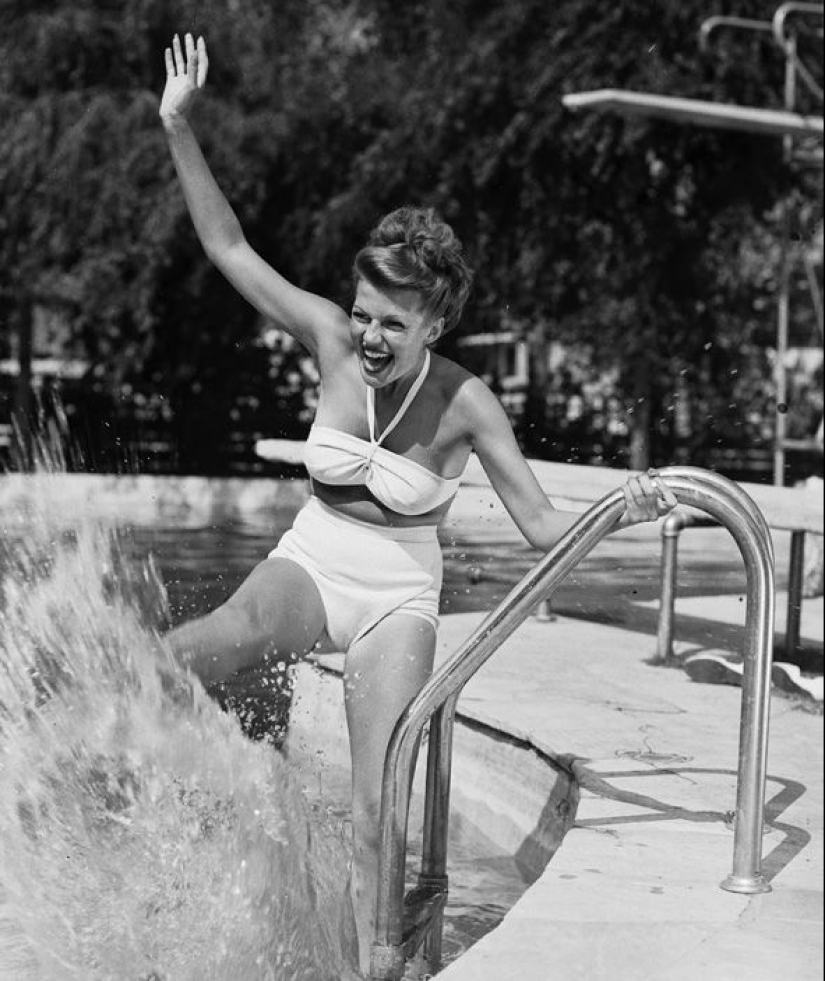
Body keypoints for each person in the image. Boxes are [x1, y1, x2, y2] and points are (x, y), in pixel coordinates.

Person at [159, 33, 678, 974]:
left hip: (397, 596)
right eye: (362, 311)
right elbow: (227, 243)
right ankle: (168, 815)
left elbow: (542, 530)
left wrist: (628, 507)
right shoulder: (324, 335)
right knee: (183, 656)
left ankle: (376, 968)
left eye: (392, 323)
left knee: (374, 811)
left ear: (436, 323)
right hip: (313, 562)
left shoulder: (467, 402)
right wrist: (177, 125)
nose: (366, 334)